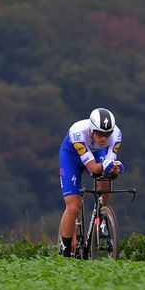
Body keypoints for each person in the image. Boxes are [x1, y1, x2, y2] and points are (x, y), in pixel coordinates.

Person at [57, 107, 124, 257]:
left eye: (107, 134)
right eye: (99, 134)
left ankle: (102, 216)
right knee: (74, 207)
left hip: (94, 153)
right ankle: (65, 249)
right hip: (71, 157)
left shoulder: (117, 134)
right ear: (91, 130)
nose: (103, 139)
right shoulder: (78, 133)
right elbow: (93, 168)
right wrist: (106, 166)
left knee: (106, 181)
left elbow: (109, 163)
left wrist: (115, 168)